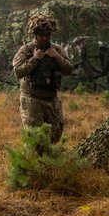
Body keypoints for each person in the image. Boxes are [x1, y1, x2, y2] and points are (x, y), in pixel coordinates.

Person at [12, 13, 73, 143]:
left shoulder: (56, 49)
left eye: (47, 35)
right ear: (35, 35)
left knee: (55, 136)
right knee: (35, 139)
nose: (45, 38)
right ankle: (34, 163)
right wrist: (35, 59)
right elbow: (18, 72)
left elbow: (68, 69)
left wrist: (56, 56)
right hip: (32, 99)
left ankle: (50, 163)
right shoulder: (26, 50)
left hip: (52, 99)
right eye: (41, 35)